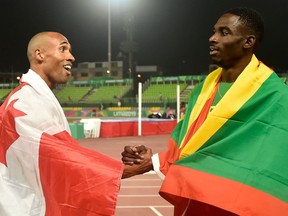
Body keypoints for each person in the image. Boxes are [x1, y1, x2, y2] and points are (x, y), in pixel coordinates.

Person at [121, 7, 288, 215]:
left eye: (224, 32)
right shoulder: (202, 91)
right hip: (197, 203)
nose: (212, 38)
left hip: (238, 207)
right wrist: (152, 160)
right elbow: (190, 148)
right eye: (214, 31)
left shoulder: (275, 95)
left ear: (248, 41)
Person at [0, 31, 137, 216]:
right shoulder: (25, 103)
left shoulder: (32, 97)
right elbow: (64, 161)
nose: (71, 57)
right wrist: (133, 168)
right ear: (40, 54)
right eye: (63, 49)